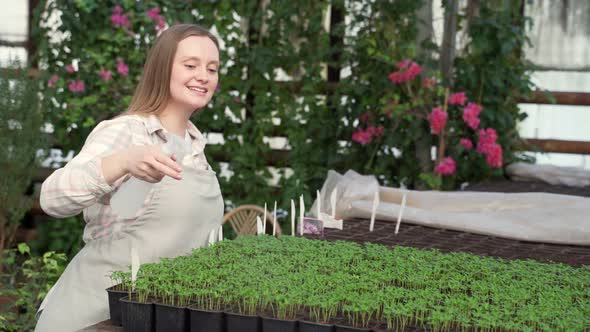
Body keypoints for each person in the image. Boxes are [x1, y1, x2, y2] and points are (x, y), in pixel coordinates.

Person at [35, 24, 223, 331]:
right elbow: (53, 197)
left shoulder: (195, 148)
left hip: (151, 319)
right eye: (191, 65)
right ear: (162, 70)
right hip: (93, 318)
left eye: (212, 68)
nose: (203, 75)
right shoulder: (127, 131)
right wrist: (123, 161)